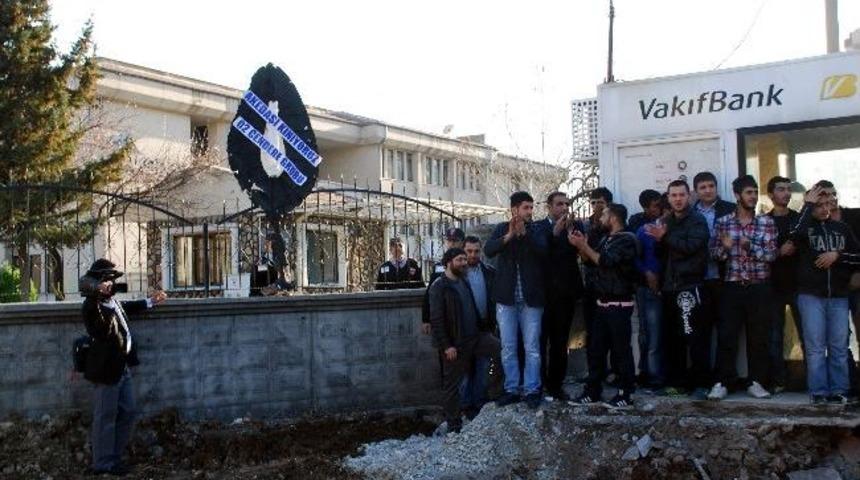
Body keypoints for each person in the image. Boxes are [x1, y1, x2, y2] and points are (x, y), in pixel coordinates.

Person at [81, 259, 166, 476]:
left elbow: (127, 309)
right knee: (105, 417)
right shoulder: (93, 306)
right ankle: (103, 464)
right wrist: (96, 293)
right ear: (98, 283)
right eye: (107, 281)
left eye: (112, 280)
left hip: (122, 367)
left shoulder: (113, 303)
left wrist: (150, 302)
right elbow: (101, 330)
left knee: (127, 412)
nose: (111, 284)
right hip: (107, 370)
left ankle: (114, 458)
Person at [706, 175, 777, 401]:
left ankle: (756, 382)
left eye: (755, 193)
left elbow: (772, 255)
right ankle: (723, 382)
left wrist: (751, 246)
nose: (753, 197)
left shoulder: (766, 222)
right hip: (732, 286)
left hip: (759, 286)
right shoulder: (723, 222)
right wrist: (725, 249)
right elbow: (714, 254)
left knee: (759, 337)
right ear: (737, 195)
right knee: (727, 336)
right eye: (749, 193)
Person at [791, 185, 860, 404]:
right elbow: (794, 235)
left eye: (826, 204)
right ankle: (819, 392)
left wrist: (837, 256)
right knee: (815, 347)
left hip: (838, 296)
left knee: (839, 346)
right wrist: (807, 205)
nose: (823, 209)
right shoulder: (804, 228)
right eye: (818, 205)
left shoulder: (841, 228)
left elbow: (858, 257)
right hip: (811, 296)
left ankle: (840, 390)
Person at [646, 179, 711, 398]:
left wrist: (665, 237)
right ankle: (677, 382)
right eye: (673, 195)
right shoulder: (665, 220)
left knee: (695, 337)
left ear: (689, 196)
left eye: (681, 195)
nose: (677, 199)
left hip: (690, 286)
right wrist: (657, 241)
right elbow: (660, 253)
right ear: (669, 197)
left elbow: (691, 247)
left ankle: (701, 384)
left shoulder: (697, 221)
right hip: (669, 287)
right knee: (673, 338)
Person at [570, 203, 639, 408]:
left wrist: (585, 247)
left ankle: (626, 393)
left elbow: (606, 261)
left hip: (619, 303)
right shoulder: (606, 239)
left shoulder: (627, 239)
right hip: (602, 303)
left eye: (605, 214)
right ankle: (592, 391)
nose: (600, 218)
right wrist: (580, 246)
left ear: (614, 218)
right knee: (596, 349)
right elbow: (592, 261)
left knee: (621, 351)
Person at [485, 191, 549, 409]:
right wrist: (510, 236)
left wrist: (525, 235)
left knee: (532, 347)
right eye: (525, 208)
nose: (529, 212)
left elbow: (544, 252)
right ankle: (511, 389)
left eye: (531, 208)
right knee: (509, 347)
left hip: (531, 301)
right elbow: (489, 249)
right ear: (514, 209)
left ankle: (532, 389)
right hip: (507, 300)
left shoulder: (537, 230)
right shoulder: (502, 228)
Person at [428, 248, 500, 433]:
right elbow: (437, 320)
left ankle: (495, 395)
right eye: (460, 260)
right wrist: (447, 346)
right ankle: (454, 424)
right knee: (452, 385)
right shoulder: (439, 286)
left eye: (464, 260)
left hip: (475, 337)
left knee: (501, 351)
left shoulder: (463, 281)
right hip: (455, 345)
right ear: (449, 262)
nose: (464, 262)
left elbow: (472, 309)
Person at [540, 191, 584, 400]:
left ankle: (556, 385)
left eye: (567, 204)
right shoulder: (540, 228)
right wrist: (554, 234)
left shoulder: (576, 227)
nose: (564, 208)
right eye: (559, 204)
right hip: (543, 295)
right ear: (549, 206)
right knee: (539, 342)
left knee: (560, 342)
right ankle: (538, 383)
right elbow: (540, 256)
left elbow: (580, 255)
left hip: (566, 294)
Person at [766, 176, 803, 392]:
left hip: (799, 286)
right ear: (771, 194)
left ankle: (812, 382)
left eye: (789, 189)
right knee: (774, 338)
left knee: (807, 336)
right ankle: (778, 381)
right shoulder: (764, 221)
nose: (786, 193)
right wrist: (779, 253)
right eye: (781, 189)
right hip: (773, 287)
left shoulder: (799, 220)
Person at [581, 187, 615, 384]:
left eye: (600, 202)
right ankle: (595, 371)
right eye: (593, 203)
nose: (596, 207)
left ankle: (613, 371)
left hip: (610, 288)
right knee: (592, 332)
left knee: (612, 333)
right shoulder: (586, 226)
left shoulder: (614, 225)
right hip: (591, 287)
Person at [633, 190, 666, 390]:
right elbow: (635, 257)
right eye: (655, 206)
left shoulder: (670, 228)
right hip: (648, 288)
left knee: (661, 334)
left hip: (669, 286)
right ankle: (650, 375)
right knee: (650, 334)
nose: (660, 209)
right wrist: (647, 273)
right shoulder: (643, 229)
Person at [460, 235, 497, 416]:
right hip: (463, 332)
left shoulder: (489, 272)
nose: (473, 255)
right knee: (465, 372)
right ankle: (465, 407)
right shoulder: (455, 273)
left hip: (484, 330)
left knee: (482, 369)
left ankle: (479, 405)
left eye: (476, 251)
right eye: (469, 251)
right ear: (463, 251)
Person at [421, 228, 466, 334]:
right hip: (445, 316)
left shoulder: (466, 264)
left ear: (462, 242)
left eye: (455, 241)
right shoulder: (439, 266)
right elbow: (429, 292)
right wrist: (426, 319)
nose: (451, 244)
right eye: (449, 241)